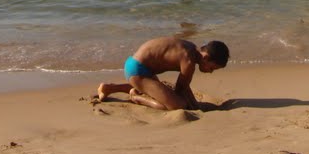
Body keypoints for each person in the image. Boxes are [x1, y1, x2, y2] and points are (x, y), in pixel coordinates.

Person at [97, 37, 229, 111]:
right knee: (177, 105)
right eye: (212, 68)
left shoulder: (191, 48)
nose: (210, 72)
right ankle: (136, 98)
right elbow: (181, 89)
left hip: (137, 66)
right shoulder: (188, 60)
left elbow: (184, 86)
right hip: (137, 71)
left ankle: (109, 88)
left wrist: (193, 104)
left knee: (156, 90)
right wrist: (195, 107)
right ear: (205, 58)